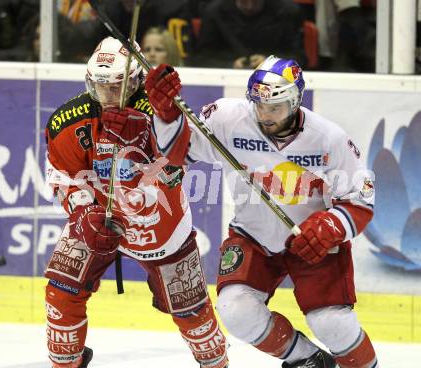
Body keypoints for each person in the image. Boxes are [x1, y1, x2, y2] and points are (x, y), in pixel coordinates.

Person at [145, 57, 378, 367]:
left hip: (313, 243)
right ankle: (309, 360)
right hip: (253, 235)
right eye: (259, 105)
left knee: (331, 323)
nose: (265, 115)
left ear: (295, 101)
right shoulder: (227, 119)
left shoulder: (328, 138)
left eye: (275, 107)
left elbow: (360, 199)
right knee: (236, 311)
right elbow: (177, 153)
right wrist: (166, 114)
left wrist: (328, 227)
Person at [43, 36, 228, 368]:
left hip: (160, 227)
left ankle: (216, 364)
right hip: (99, 218)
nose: (106, 96)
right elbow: (61, 175)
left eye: (114, 87)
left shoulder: (159, 111)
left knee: (192, 314)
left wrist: (159, 121)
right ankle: (65, 363)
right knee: (61, 290)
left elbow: (178, 163)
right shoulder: (67, 121)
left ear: (134, 81)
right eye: (99, 86)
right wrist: (84, 212)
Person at [192, 0, 305, 69]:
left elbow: (299, 58)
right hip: (228, 74)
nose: (249, 6)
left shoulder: (287, 11)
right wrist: (231, 64)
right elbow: (201, 57)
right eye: (244, 1)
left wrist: (269, 63)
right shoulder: (214, 11)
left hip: (275, 80)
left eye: (255, 1)